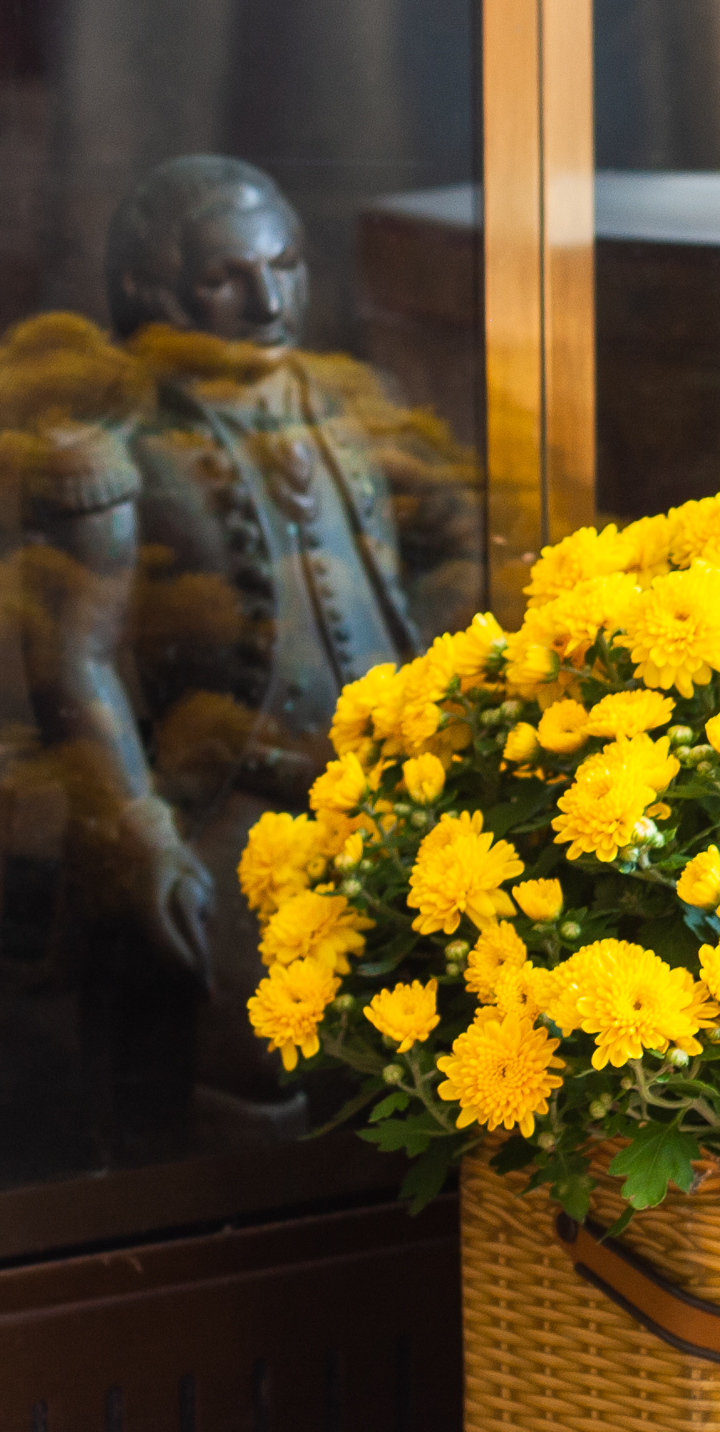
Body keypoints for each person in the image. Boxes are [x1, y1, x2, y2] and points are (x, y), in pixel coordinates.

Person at [4, 155, 475, 1166]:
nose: (270, 297)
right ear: (148, 292)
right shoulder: (111, 448)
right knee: (250, 1072)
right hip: (233, 811)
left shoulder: (354, 407)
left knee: (432, 1070)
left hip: (397, 804)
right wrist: (136, 832)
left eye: (288, 263)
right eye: (229, 275)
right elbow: (75, 654)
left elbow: (459, 544)